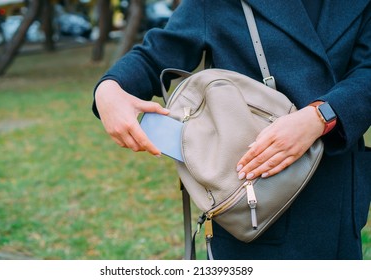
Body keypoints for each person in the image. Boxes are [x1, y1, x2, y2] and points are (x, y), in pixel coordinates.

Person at [92, 0, 371, 259]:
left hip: (339, 196)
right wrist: (110, 88)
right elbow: (156, 56)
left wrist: (320, 117)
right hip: (251, 193)